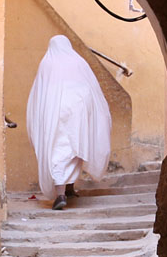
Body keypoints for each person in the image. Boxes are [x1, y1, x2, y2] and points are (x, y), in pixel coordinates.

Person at [26, 35, 112, 210]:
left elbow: (39, 93)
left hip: (56, 113)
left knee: (58, 151)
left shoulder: (47, 63)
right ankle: (70, 188)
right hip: (79, 111)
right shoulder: (78, 61)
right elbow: (92, 88)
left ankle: (60, 195)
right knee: (75, 148)